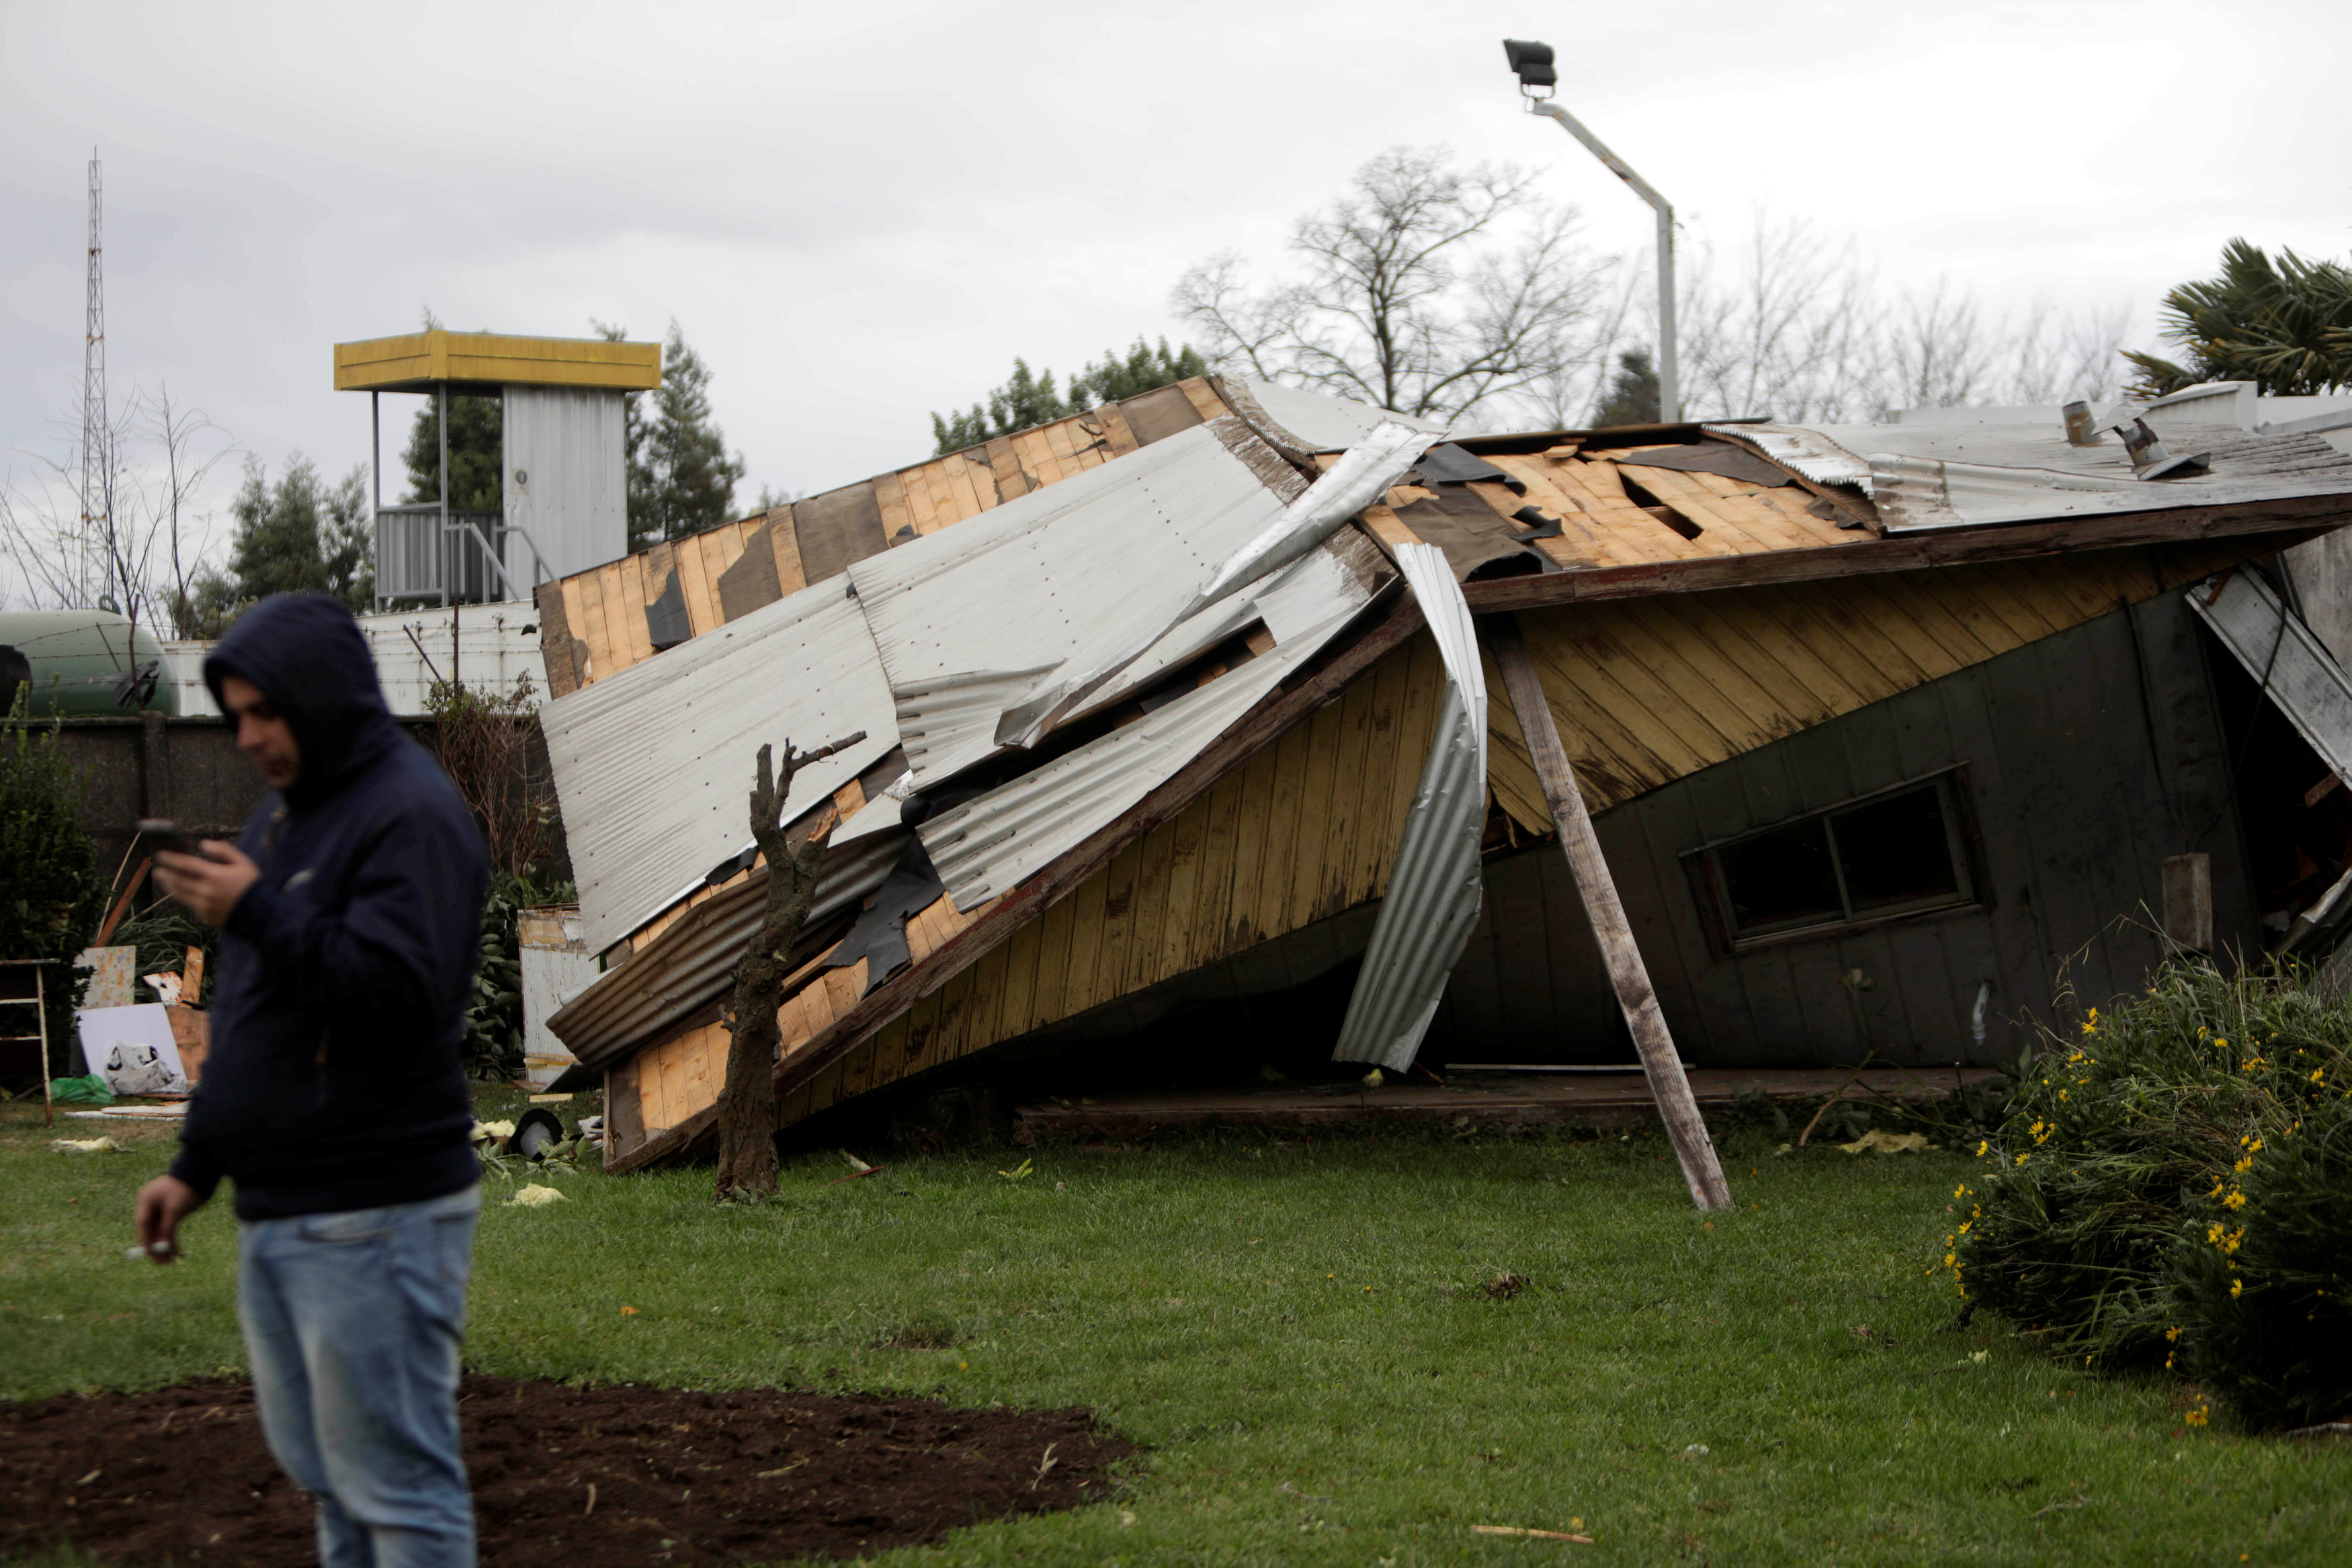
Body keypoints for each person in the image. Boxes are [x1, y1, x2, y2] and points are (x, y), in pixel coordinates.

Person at [135, 593, 491, 1568]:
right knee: (336, 1490)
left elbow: (405, 997)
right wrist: (194, 1166)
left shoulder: (411, 815)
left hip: (378, 1210)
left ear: (323, 698)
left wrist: (258, 911)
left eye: (265, 712)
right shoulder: (287, 820)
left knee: (399, 1492)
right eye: (236, 714)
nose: (246, 736)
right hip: (286, 1210)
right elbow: (255, 1015)